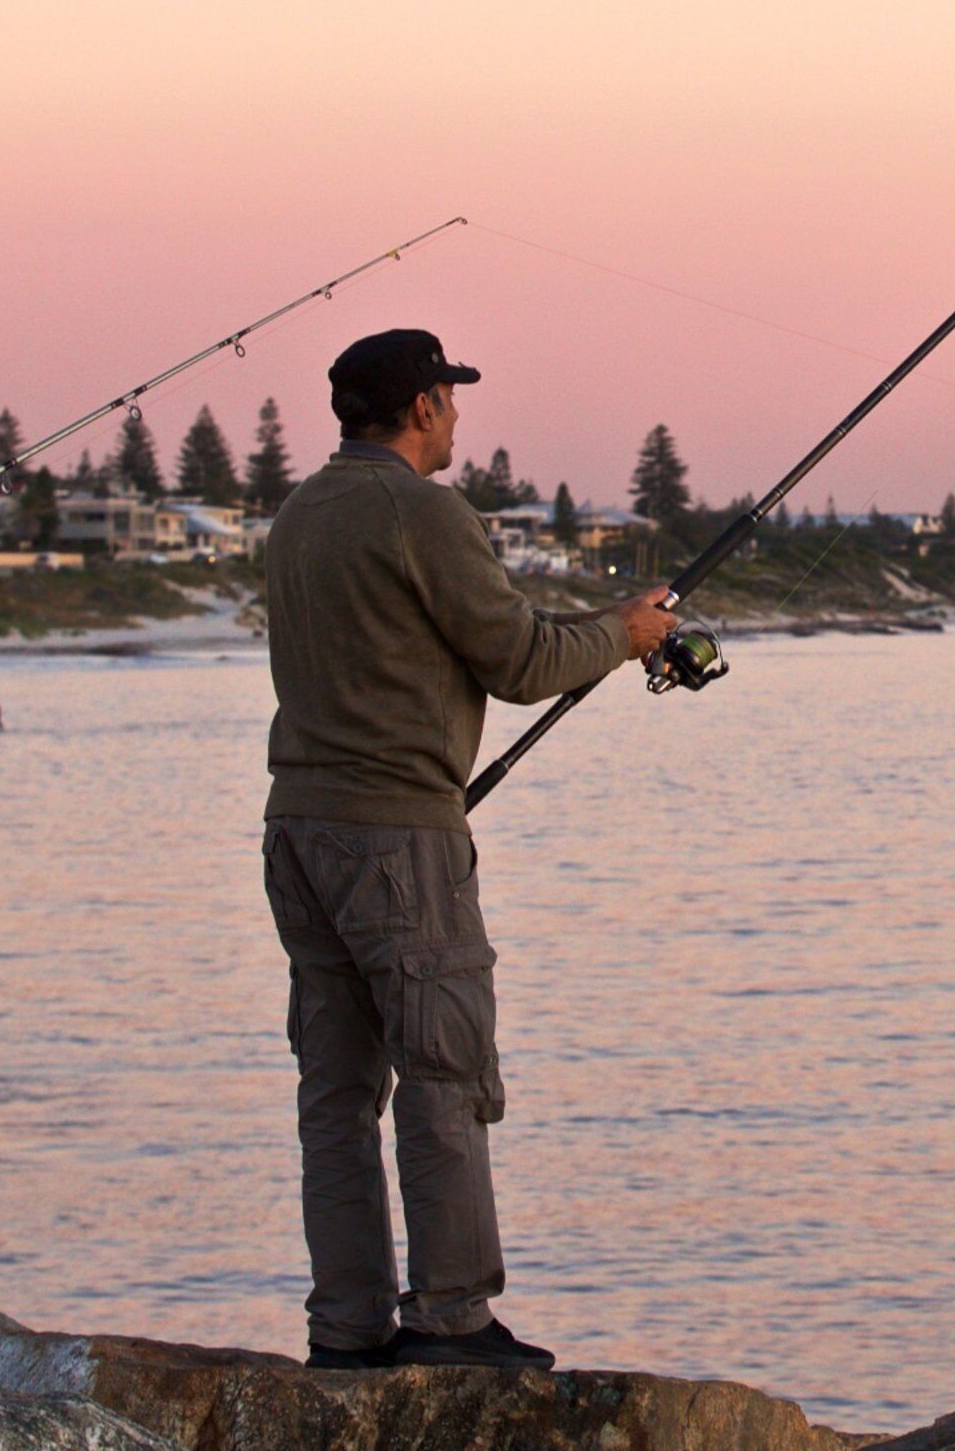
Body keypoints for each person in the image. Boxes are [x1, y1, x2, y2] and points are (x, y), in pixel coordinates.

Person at [259, 329, 676, 1372]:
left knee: (339, 1092)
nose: (456, 415)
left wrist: (606, 625)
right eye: (449, 395)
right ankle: (449, 1321)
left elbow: (492, 637)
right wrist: (626, 636)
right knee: (446, 1071)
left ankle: (347, 1332)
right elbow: (521, 660)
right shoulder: (423, 511)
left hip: (297, 828)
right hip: (396, 837)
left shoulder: (300, 513)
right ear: (425, 406)